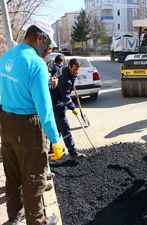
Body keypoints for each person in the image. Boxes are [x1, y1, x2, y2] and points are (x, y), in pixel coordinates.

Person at [0, 21, 63, 225]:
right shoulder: (36, 64)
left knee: (12, 174)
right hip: (28, 127)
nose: (50, 49)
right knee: (34, 176)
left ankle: (15, 218)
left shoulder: (7, 56)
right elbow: (45, 110)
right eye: (49, 44)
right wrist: (55, 139)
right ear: (39, 38)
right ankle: (37, 221)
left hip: (6, 122)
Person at [50, 58, 86, 160]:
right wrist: (73, 107)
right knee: (64, 127)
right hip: (56, 102)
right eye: (74, 69)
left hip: (56, 99)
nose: (76, 72)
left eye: (77, 70)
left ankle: (52, 147)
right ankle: (73, 152)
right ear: (69, 66)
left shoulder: (65, 71)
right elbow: (65, 97)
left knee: (58, 127)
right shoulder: (66, 79)